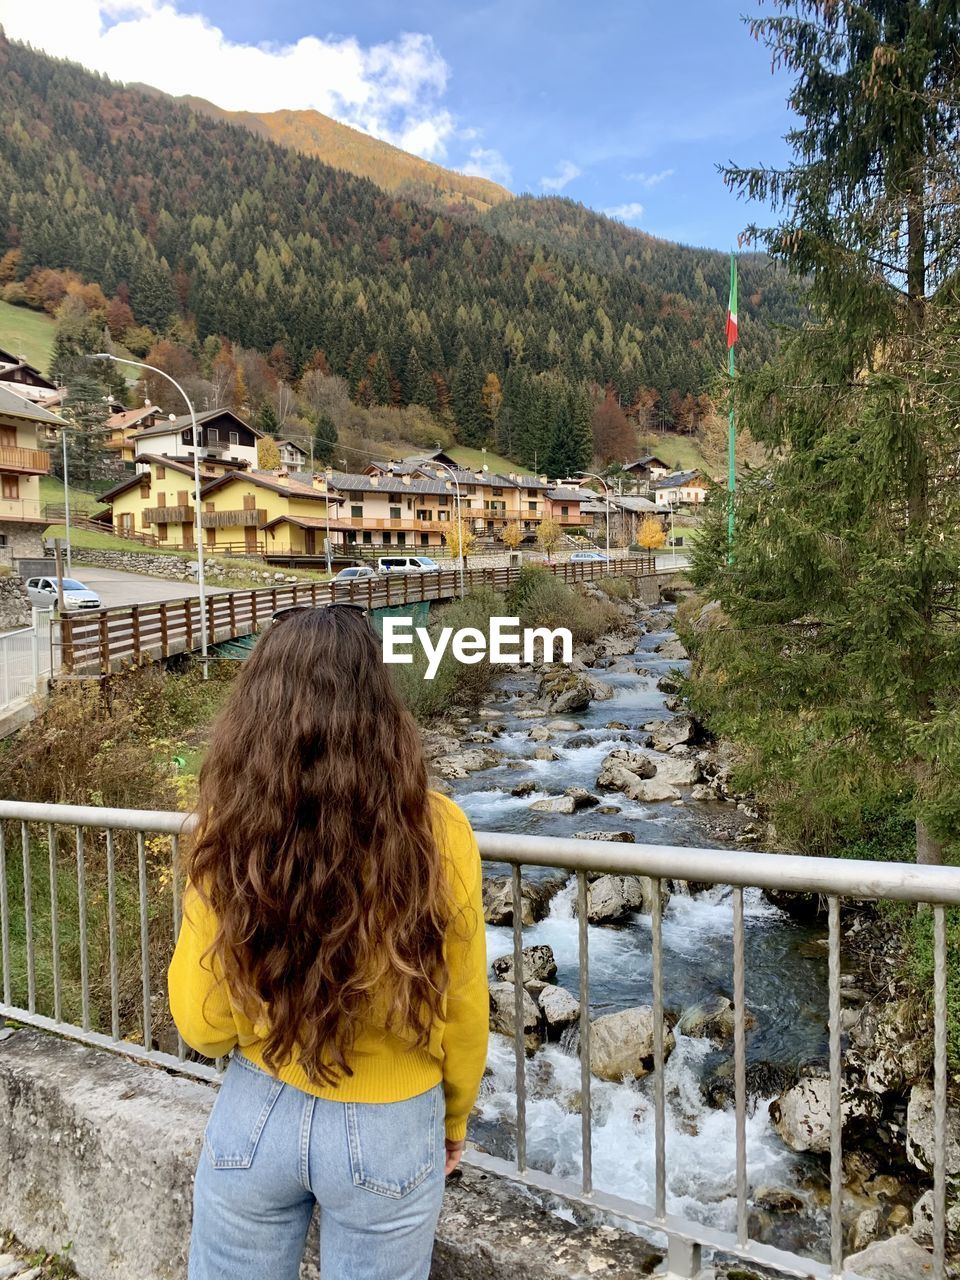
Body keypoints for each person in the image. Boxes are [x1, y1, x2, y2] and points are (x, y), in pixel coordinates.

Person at [168, 604, 488, 1280]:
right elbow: (462, 1006)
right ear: (380, 702)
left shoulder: (227, 832)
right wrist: (454, 1116)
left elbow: (201, 1021)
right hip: (393, 1124)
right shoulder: (440, 830)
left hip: (257, 1108)